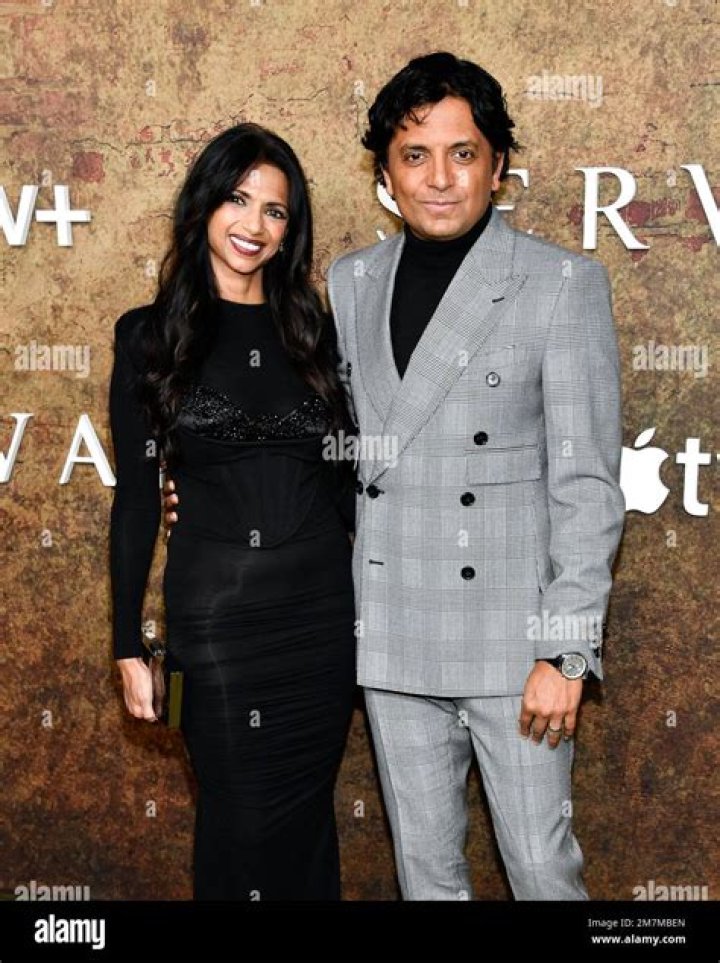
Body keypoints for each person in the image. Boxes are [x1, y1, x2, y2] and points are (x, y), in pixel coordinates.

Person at [166, 52, 626, 901]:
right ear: (386, 174)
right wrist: (202, 486)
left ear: (498, 165)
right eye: (415, 155)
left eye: (463, 153)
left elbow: (588, 488)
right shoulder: (352, 281)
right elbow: (318, 436)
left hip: (514, 645)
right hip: (390, 634)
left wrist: (566, 651)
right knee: (426, 877)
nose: (439, 179)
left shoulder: (561, 284)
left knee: (540, 870)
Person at [108, 122, 358, 900]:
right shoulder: (148, 336)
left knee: (307, 819)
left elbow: (349, 484)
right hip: (211, 630)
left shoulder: (316, 333)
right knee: (237, 816)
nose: (254, 224)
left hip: (321, 624)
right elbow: (137, 498)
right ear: (204, 205)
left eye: (275, 210)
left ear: (291, 229)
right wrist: (126, 646)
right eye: (237, 199)